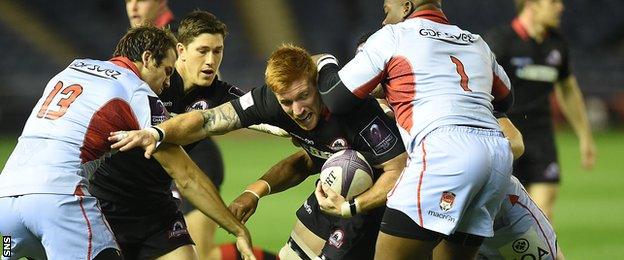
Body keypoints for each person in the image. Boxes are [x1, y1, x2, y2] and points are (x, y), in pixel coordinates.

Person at [107, 44, 407, 260]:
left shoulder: (354, 110)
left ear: (316, 84)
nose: (297, 110)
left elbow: (398, 169)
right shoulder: (270, 101)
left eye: (303, 96)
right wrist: (156, 132)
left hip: (374, 203)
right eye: (287, 102)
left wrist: (349, 208)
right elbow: (208, 120)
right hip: (329, 192)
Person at [0, 25, 253, 260]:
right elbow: (185, 175)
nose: (167, 83)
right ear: (146, 59)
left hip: (7, 206)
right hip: (58, 202)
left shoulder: (71, 70)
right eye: (166, 71)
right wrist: (236, 228)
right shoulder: (136, 91)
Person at [314, 0, 515, 258]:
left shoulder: (392, 36)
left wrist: (325, 62)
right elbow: (506, 99)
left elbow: (335, 97)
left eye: (387, 12)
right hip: (496, 159)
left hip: (444, 152)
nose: (383, 22)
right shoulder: (476, 42)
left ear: (406, 7)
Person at [117, 9, 284, 260]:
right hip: (127, 190)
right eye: (202, 51)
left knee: (196, 255)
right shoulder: (155, 81)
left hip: (178, 183)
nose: (211, 61)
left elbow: (267, 113)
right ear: (181, 51)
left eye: (217, 51)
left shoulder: (220, 94)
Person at [484, 0, 596, 219]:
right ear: (531, 5)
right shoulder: (500, 41)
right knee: (497, 217)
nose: (561, 7)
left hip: (541, 138)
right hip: (506, 139)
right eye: (553, 2)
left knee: (542, 215)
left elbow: (568, 89)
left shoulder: (556, 44)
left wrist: (585, 136)